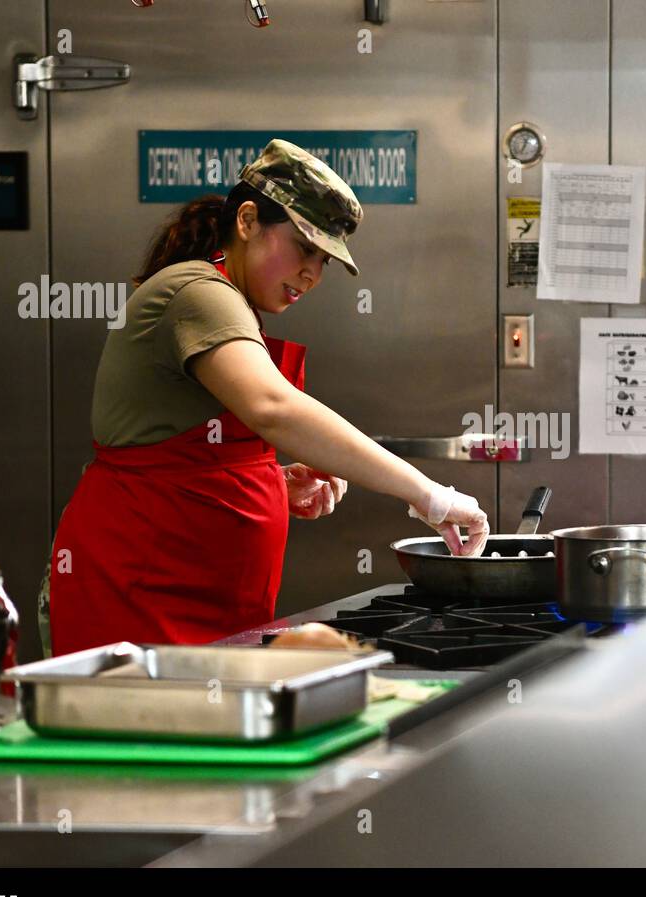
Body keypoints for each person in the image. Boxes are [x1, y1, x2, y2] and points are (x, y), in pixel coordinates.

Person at [43, 139, 488, 656]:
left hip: (204, 599)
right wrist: (429, 495)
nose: (312, 275)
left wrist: (267, 481)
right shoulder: (197, 292)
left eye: (324, 261)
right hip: (136, 594)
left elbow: (174, 450)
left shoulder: (230, 302)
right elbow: (273, 408)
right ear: (248, 220)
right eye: (304, 248)